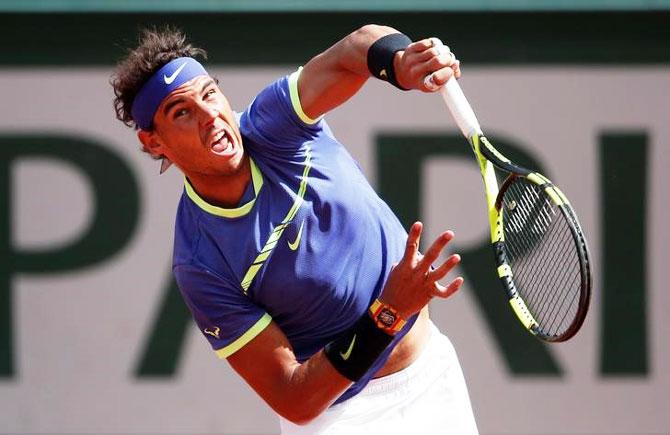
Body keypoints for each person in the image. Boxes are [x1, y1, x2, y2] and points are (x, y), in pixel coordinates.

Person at [111, 24, 478, 434]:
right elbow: (294, 398)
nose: (210, 116)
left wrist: (400, 61)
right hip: (344, 421)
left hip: (433, 374)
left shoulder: (274, 124)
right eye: (182, 112)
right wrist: (387, 313)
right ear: (154, 141)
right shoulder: (200, 262)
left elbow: (354, 49)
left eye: (209, 94)